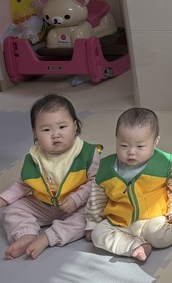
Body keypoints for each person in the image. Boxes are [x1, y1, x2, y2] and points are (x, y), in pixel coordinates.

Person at [85, 108, 172, 262]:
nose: (131, 152)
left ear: (155, 142)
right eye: (123, 145)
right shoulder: (105, 168)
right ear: (116, 139)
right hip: (119, 220)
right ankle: (136, 246)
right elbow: (96, 199)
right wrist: (92, 222)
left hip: (153, 218)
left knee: (159, 238)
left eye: (140, 146)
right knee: (98, 235)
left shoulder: (166, 163)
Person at [0, 95, 101, 260]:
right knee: (12, 210)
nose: (55, 134)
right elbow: (24, 184)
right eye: (46, 130)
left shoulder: (87, 153)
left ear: (75, 126)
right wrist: (4, 199)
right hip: (43, 204)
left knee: (90, 216)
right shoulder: (35, 158)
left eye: (62, 127)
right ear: (36, 133)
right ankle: (26, 235)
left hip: (76, 206)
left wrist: (76, 199)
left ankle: (48, 238)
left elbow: (95, 183)